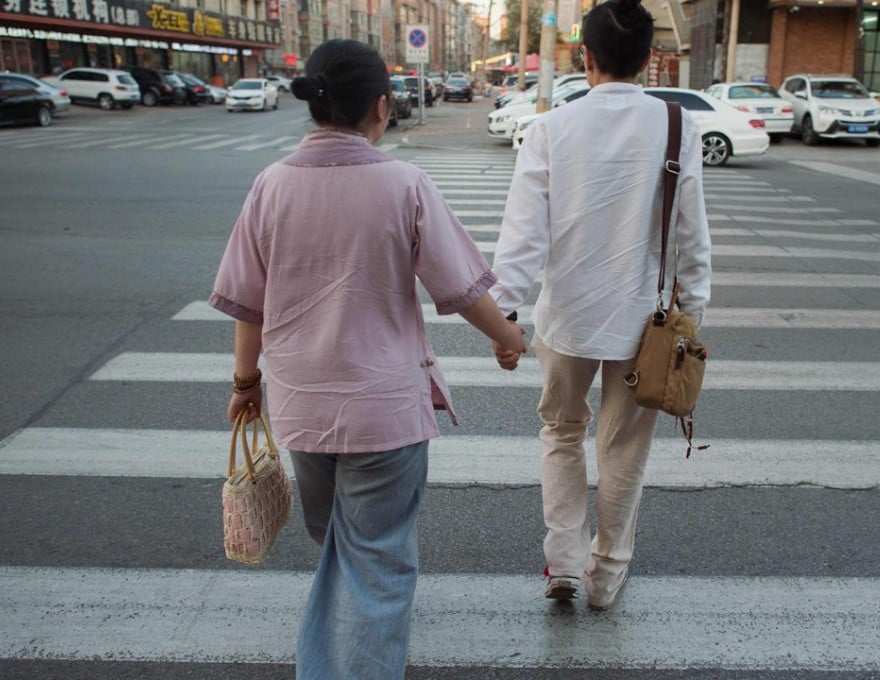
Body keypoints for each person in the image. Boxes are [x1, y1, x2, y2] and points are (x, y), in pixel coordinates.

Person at [209, 39, 526, 680]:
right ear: (382, 106)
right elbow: (460, 287)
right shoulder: (403, 183)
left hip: (304, 408)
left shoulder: (270, 186)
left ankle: (345, 639)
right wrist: (511, 338)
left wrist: (247, 384)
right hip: (386, 413)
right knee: (377, 562)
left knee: (337, 544)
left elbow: (250, 305)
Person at [487, 0, 711, 611]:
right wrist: (694, 313)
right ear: (648, 60)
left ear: (583, 57)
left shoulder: (550, 130)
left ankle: (561, 563)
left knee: (561, 432)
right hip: (645, 325)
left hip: (564, 321)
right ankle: (606, 577)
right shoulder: (676, 126)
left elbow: (523, 241)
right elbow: (691, 236)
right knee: (623, 452)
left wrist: (503, 316)